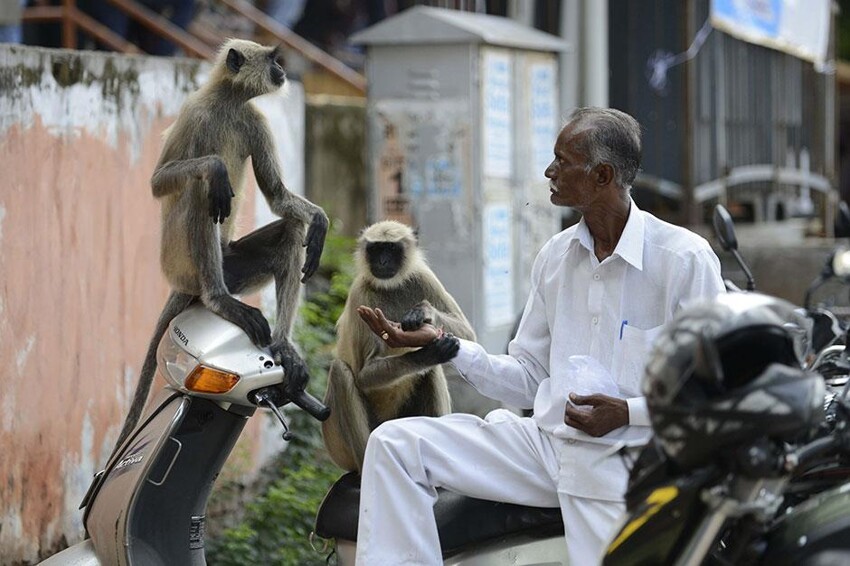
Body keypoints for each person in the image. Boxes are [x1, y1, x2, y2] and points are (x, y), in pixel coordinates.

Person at [353, 107, 727, 565]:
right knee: (395, 445)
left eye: (562, 161)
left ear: (602, 175)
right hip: (545, 446)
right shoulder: (556, 256)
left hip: (626, 459)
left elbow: (712, 393)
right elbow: (529, 376)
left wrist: (627, 412)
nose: (549, 171)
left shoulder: (683, 259)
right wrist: (445, 346)